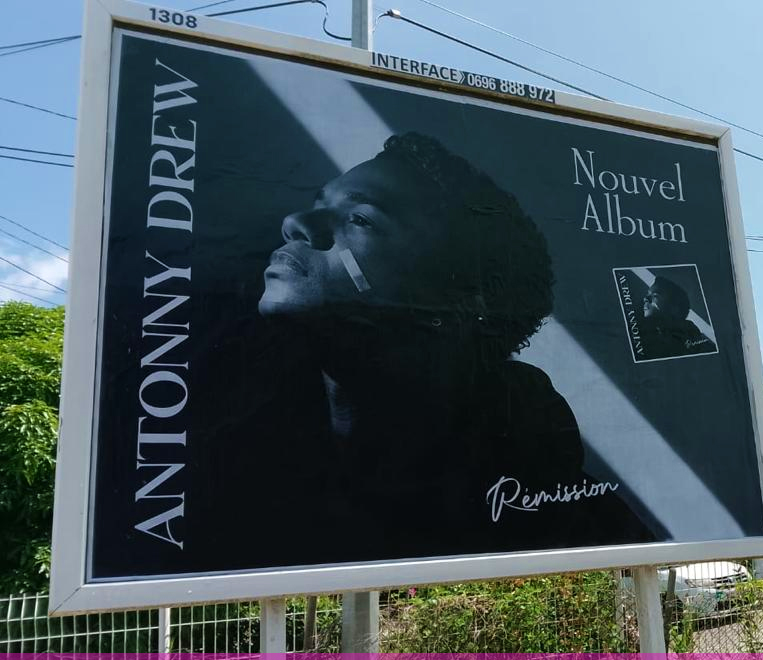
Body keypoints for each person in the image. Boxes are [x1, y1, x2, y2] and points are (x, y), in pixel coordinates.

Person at [259, 132, 652, 561]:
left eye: (361, 219)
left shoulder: (574, 521)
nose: (297, 222)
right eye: (321, 204)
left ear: (457, 301)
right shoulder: (232, 444)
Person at [639, 275, 716, 360]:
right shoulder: (654, 334)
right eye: (647, 295)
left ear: (674, 308)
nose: (645, 299)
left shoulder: (690, 335)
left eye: (655, 296)